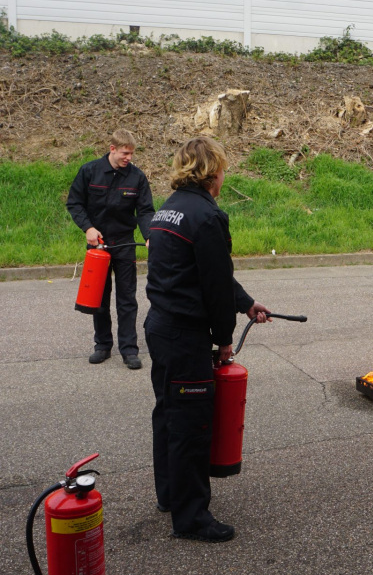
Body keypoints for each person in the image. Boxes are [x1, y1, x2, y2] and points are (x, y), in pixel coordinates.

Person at [145, 136, 270, 543]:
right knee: (191, 424)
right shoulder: (208, 216)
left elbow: (200, 271)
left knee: (168, 413)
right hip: (185, 335)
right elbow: (214, 285)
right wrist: (224, 339)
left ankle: (170, 495)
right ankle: (192, 518)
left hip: (160, 327)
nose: (222, 177)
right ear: (212, 172)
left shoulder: (168, 209)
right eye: (222, 170)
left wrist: (245, 303)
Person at [66, 128, 154, 369]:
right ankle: (102, 346)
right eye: (125, 153)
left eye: (132, 154)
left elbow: (145, 210)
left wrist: (149, 236)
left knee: (127, 299)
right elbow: (75, 203)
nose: (129, 158)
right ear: (112, 149)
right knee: (99, 299)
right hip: (98, 244)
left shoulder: (137, 177)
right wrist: (88, 228)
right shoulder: (89, 171)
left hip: (124, 243)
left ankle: (129, 350)